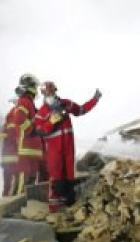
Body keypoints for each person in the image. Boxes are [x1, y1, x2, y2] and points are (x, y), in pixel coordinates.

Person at [33, 80, 101, 211]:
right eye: (47, 94)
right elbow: (39, 131)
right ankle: (54, 208)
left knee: (69, 177)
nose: (50, 96)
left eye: (52, 93)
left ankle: (69, 206)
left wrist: (94, 99)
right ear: (43, 95)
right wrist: (51, 122)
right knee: (56, 179)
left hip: (68, 149)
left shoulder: (65, 104)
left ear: (55, 91)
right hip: (54, 151)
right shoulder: (41, 113)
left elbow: (80, 110)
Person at [0, 73, 45, 197]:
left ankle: (24, 203)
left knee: (31, 179)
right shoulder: (24, 101)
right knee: (23, 178)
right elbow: (20, 120)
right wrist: (31, 128)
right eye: (35, 87)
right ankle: (15, 203)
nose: (36, 91)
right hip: (26, 148)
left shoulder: (29, 103)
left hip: (34, 149)